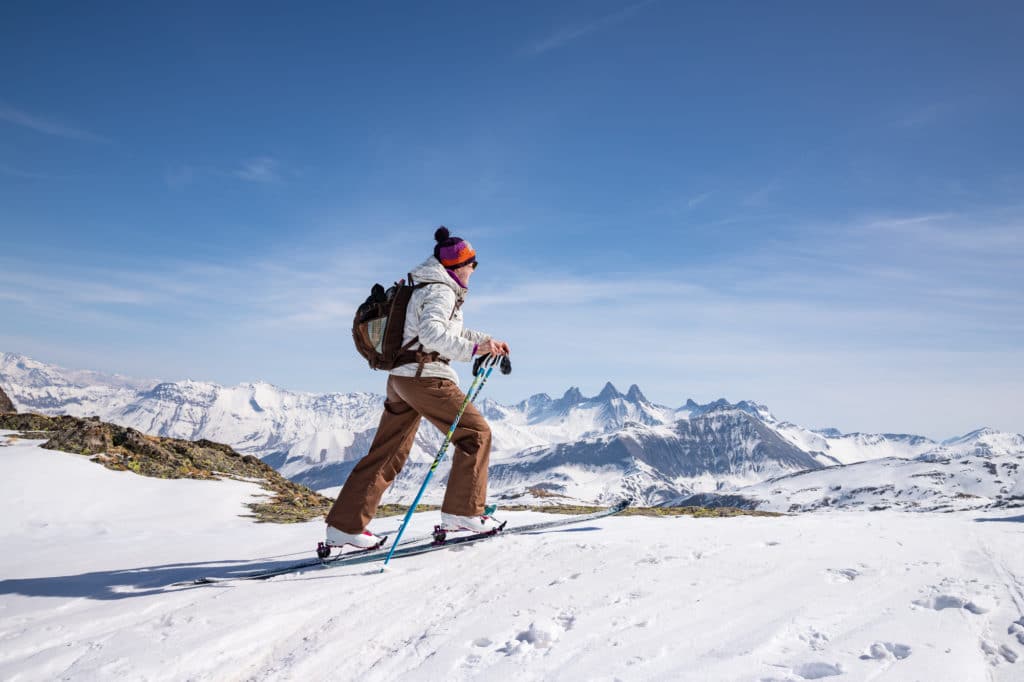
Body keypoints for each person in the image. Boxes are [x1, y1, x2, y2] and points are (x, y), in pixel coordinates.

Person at [324, 226, 511, 549]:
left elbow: (437, 333)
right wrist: (476, 351)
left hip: (401, 379)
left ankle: (345, 525)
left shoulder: (424, 286)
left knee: (388, 452)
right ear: (456, 266)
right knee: (476, 433)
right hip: (426, 376)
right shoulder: (441, 291)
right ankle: (463, 511)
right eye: (472, 263)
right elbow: (431, 336)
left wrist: (484, 341)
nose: (474, 270)